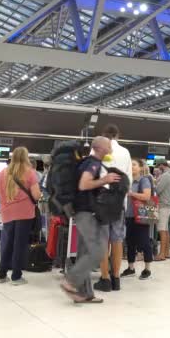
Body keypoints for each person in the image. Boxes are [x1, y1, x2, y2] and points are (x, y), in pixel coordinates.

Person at [60, 137, 120, 304]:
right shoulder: (93, 163)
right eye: (108, 144)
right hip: (85, 213)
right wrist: (104, 180)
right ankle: (70, 281)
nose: (111, 146)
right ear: (101, 148)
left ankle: (84, 294)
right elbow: (83, 185)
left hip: (80, 211)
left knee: (84, 253)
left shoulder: (88, 162)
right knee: (97, 251)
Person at [94, 124, 132, 292]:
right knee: (117, 240)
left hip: (101, 201)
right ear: (118, 135)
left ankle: (105, 279)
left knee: (103, 240)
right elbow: (128, 180)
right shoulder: (125, 153)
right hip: (119, 203)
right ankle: (116, 278)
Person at [0, 147, 41, 286]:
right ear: (26, 157)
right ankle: (16, 276)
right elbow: (37, 194)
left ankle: (1, 274)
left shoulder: (3, 172)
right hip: (24, 212)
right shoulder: (30, 172)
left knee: (8, 243)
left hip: (7, 212)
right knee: (19, 244)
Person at [121, 158, 153, 280]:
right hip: (129, 215)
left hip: (141, 215)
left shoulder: (143, 180)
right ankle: (131, 268)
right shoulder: (128, 181)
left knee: (144, 242)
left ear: (140, 167)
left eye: (134, 165)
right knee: (130, 242)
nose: (132, 167)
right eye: (130, 165)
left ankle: (147, 269)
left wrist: (131, 194)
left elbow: (146, 196)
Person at [155, 158, 170, 261]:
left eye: (158, 167)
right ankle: (167, 252)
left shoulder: (165, 176)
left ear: (162, 165)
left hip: (163, 204)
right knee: (166, 229)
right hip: (168, 204)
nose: (158, 169)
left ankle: (162, 254)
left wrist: (155, 183)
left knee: (161, 229)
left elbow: (158, 190)